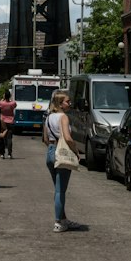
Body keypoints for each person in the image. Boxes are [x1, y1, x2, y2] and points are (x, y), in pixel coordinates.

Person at [43, 89, 79, 232]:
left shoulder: (48, 117)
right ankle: (59, 222)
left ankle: (63, 218)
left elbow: (45, 139)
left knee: (58, 190)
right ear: (60, 103)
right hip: (61, 151)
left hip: (50, 151)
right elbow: (68, 137)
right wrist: (76, 151)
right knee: (60, 191)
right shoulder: (63, 117)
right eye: (67, 101)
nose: (69, 103)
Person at [0, 87, 17, 159]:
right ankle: (9, 153)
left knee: (2, 138)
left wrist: (3, 98)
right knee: (9, 138)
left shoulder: (1, 103)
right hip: (10, 121)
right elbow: (15, 105)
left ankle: (2, 153)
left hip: (3, 121)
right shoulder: (12, 103)